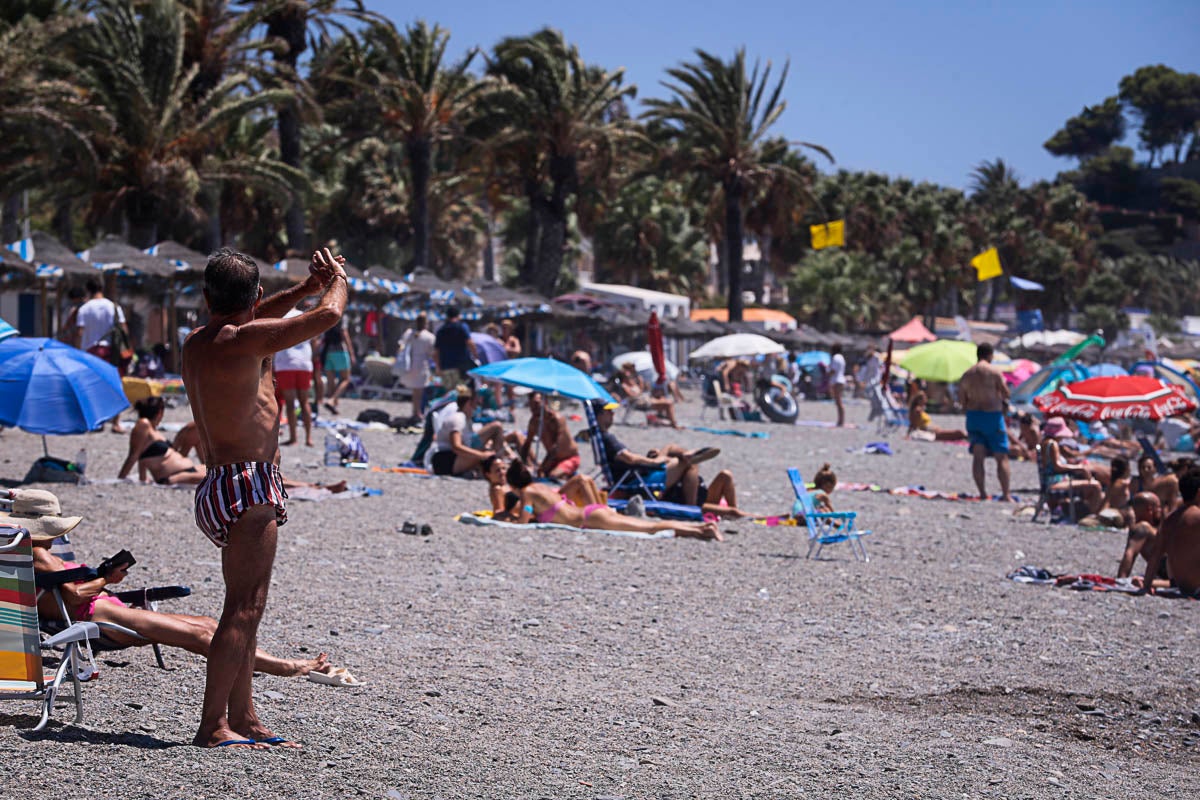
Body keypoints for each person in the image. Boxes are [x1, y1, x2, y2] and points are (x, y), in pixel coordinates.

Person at [181, 246, 347, 749]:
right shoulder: (248, 339)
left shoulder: (198, 342)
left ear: (207, 296)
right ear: (253, 294)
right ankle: (212, 725)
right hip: (248, 483)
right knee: (245, 606)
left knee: (245, 606)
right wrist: (336, 279)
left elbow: (256, 320)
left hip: (215, 484)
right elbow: (331, 315)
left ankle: (244, 715)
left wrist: (302, 287)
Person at [506, 461, 721, 541]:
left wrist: (510, 518)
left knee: (650, 528)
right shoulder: (542, 487)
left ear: (514, 485)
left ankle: (701, 531)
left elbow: (523, 523)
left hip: (590, 518)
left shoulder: (527, 494)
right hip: (593, 511)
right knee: (647, 526)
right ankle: (701, 527)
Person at [592, 398, 720, 508]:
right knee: (690, 464)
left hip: (635, 474)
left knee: (669, 448)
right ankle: (691, 507)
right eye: (608, 411)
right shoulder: (607, 438)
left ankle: (689, 453)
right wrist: (653, 461)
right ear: (599, 415)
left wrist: (652, 458)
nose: (613, 414)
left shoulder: (600, 436)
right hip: (636, 479)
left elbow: (626, 460)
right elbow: (629, 458)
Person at [75, 277, 130, 432]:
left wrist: (77, 352)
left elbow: (79, 332)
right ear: (102, 288)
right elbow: (124, 329)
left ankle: (97, 421)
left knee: (92, 386)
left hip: (90, 351)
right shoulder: (113, 307)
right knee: (116, 384)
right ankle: (116, 422)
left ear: (88, 290)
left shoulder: (84, 308)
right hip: (111, 350)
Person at [959, 343, 1011, 501]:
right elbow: (1006, 393)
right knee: (1001, 456)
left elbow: (962, 399)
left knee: (978, 456)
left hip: (974, 416)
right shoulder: (994, 372)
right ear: (990, 355)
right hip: (992, 416)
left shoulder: (967, 374)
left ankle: (982, 493)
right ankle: (1005, 494)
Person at [431, 384, 515, 476]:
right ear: (468, 403)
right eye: (476, 403)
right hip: (446, 461)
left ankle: (498, 466)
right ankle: (499, 467)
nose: (477, 407)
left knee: (495, 433)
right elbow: (456, 446)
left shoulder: (466, 419)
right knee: (496, 427)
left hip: (451, 458)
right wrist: (481, 455)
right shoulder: (458, 419)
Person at [1142, 466, 1200, 595]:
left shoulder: (1169, 520)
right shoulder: (1197, 517)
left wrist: (1146, 586)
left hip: (1182, 586)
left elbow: (1155, 556)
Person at [1040, 417, 1104, 516]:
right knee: (1095, 486)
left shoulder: (1045, 442)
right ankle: (1093, 515)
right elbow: (1057, 466)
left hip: (1052, 481)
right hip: (1054, 483)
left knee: (1090, 483)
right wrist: (1079, 468)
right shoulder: (1053, 444)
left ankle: (1085, 512)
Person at [274, 308, 315, 447]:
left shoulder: (280, 314)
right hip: (304, 362)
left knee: (290, 403)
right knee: (305, 402)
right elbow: (314, 341)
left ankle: (294, 438)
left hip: (286, 362)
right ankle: (309, 438)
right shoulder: (306, 315)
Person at [520, 391, 581, 479]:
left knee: (552, 475)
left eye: (536, 404)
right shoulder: (534, 422)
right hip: (553, 459)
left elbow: (555, 448)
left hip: (569, 457)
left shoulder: (556, 420)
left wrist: (542, 468)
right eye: (531, 405)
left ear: (545, 402)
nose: (533, 408)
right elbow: (527, 444)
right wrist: (523, 464)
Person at [617, 362, 679, 428]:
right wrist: (636, 387)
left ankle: (667, 420)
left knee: (665, 399)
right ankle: (673, 424)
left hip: (644, 400)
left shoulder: (633, 384)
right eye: (629, 376)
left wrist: (640, 382)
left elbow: (641, 391)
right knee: (669, 403)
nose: (631, 377)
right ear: (624, 377)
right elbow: (633, 396)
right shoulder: (625, 386)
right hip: (641, 402)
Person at [398, 313, 436, 421]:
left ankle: (415, 411)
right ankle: (418, 412)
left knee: (415, 391)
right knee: (419, 391)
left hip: (409, 365)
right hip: (421, 365)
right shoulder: (429, 336)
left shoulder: (409, 333)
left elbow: (401, 346)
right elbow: (431, 353)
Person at [1117, 492, 1164, 579]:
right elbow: (1130, 553)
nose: (1161, 510)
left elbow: (1129, 552)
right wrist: (1122, 579)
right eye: (1158, 507)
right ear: (1150, 509)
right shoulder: (1143, 527)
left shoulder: (1145, 528)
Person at [433, 306, 478, 388]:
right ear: (458, 315)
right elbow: (470, 343)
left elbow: (436, 351)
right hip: (461, 365)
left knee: (450, 392)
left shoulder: (441, 330)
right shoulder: (462, 326)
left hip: (446, 366)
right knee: (463, 392)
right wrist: (476, 356)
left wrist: (438, 367)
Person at [320, 316, 354, 415]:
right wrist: (351, 352)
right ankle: (332, 400)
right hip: (340, 350)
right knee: (346, 379)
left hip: (327, 351)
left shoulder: (328, 315)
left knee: (331, 381)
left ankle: (333, 405)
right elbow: (344, 333)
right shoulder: (343, 316)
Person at [829, 345, 846, 427]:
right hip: (841, 380)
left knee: (838, 401)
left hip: (837, 381)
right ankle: (840, 420)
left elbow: (833, 370)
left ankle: (841, 421)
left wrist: (827, 374)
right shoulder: (841, 357)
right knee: (839, 401)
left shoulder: (836, 357)